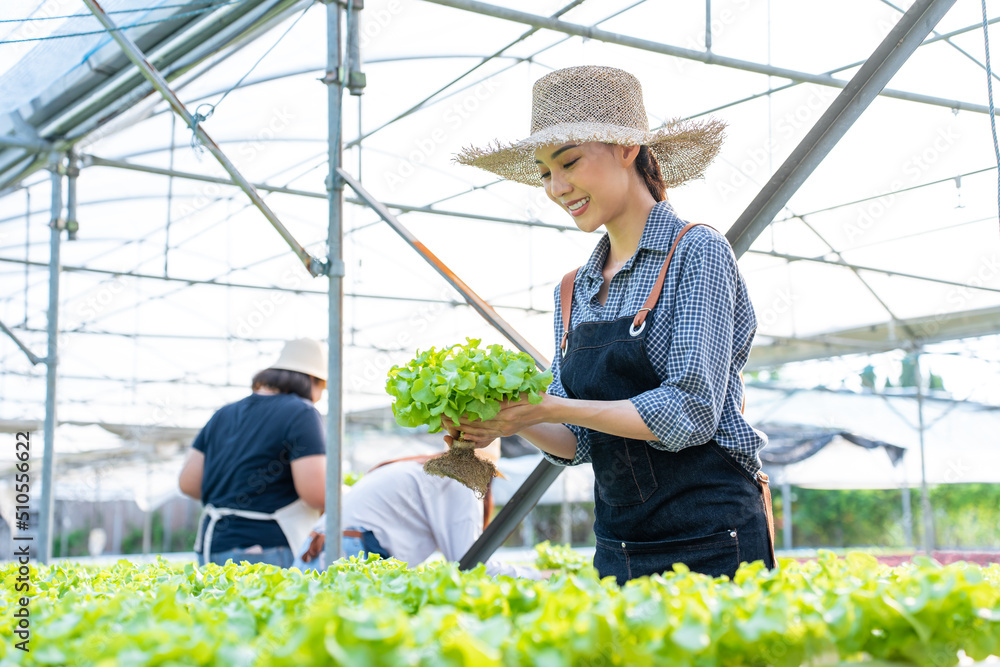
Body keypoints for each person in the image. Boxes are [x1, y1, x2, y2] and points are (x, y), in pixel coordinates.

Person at [449, 65, 776, 584]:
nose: (557, 187)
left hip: (714, 536)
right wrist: (516, 419)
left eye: (569, 162)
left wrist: (550, 405)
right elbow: (578, 440)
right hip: (619, 542)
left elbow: (691, 411)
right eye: (543, 172)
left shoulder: (697, 252)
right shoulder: (572, 289)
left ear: (628, 149)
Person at [293, 441, 543, 579]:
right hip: (351, 553)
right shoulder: (461, 479)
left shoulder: (422, 470)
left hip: (315, 551)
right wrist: (537, 576)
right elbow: (471, 564)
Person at [178, 338, 328, 568]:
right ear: (311, 380)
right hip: (266, 550)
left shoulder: (223, 414)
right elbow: (316, 493)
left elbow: (188, 483)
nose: (319, 397)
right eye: (322, 388)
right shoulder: (302, 412)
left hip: (214, 546)